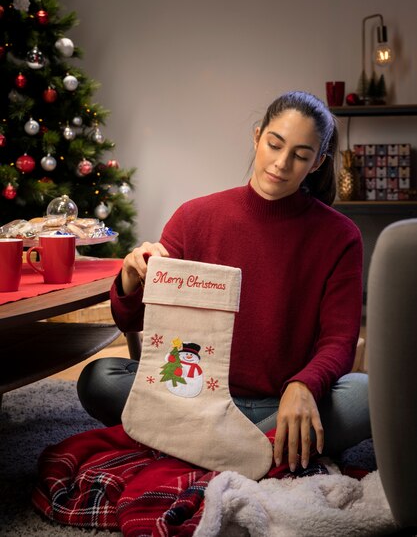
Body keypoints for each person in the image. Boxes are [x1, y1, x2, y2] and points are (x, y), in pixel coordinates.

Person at [77, 90, 370, 473]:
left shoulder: (340, 236)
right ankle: (254, 455)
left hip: (279, 404)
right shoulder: (194, 217)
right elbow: (132, 322)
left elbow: (339, 341)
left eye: (300, 155)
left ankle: (199, 449)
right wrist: (132, 278)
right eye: (274, 144)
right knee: (100, 378)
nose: (281, 164)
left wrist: (303, 386)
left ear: (317, 163)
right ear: (256, 136)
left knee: (365, 395)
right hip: (191, 396)